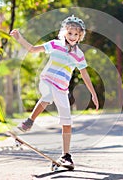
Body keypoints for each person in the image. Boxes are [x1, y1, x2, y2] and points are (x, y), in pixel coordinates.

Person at [10, 15, 99, 169]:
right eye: (70, 33)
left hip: (62, 89)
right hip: (46, 81)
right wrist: (19, 38)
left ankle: (66, 156)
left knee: (67, 122)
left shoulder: (79, 54)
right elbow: (32, 49)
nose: (72, 37)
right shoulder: (55, 44)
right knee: (47, 95)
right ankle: (29, 122)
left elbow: (85, 74)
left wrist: (93, 93)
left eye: (76, 34)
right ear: (64, 32)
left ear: (80, 36)